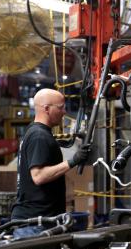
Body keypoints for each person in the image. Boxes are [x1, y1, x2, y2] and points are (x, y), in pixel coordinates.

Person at [11, 88, 90, 239]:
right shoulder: (39, 136)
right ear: (46, 109)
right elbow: (38, 176)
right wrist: (73, 161)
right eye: (61, 107)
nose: (64, 112)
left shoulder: (36, 132)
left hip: (39, 221)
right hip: (35, 224)